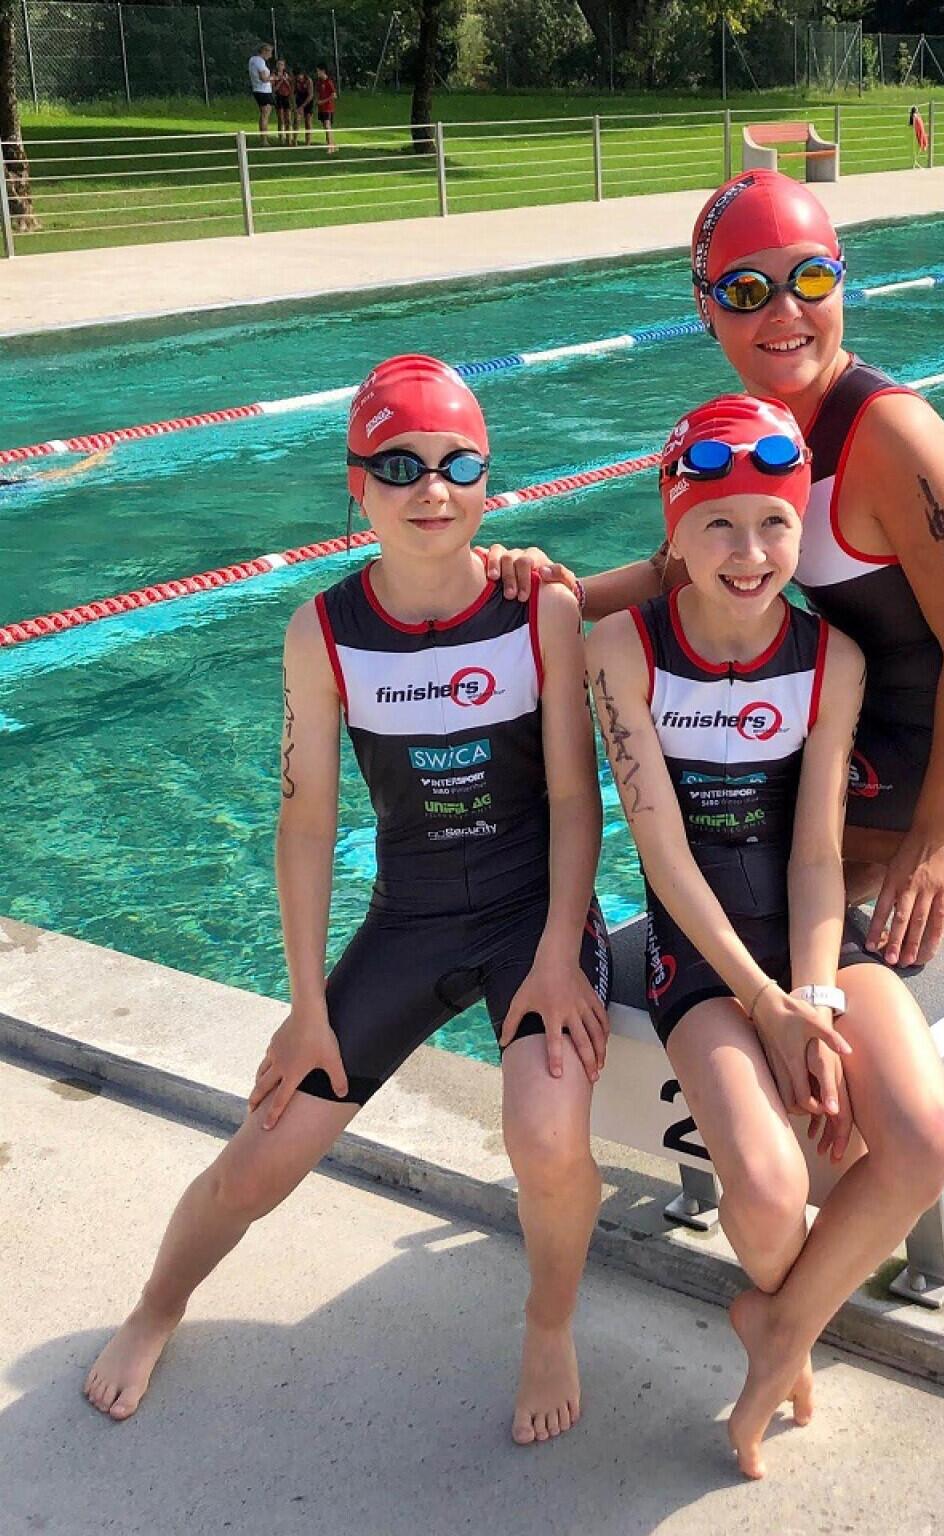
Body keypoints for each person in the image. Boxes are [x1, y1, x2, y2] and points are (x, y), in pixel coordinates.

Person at [84, 355, 612, 1448]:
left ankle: (549, 1323)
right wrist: (306, 1007)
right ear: (357, 487)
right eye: (401, 466)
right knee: (261, 1157)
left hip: (530, 917)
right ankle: (157, 1307)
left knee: (549, 1136)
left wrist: (562, 951)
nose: (433, 488)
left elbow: (575, 800)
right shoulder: (322, 633)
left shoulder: (541, 611)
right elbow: (307, 826)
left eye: (458, 463)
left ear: (488, 478)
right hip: (409, 922)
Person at [490, 170, 944, 971]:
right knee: (724, 838)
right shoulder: (765, 427)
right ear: (706, 307)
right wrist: (557, 591)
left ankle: (929, 857)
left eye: (810, 279)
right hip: (880, 706)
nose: (785, 311)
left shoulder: (894, 438)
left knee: (742, 848)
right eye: (748, 291)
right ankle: (875, 869)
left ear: (843, 279)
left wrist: (930, 838)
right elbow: (680, 572)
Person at [586, 393, 944, 1478]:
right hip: (698, 956)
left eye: (775, 524)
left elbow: (812, 856)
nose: (750, 554)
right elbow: (662, 857)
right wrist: (767, 1007)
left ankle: (779, 1326)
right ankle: (784, 1323)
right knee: (760, 1192)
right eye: (718, 523)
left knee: (924, 1140)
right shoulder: (623, 648)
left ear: (803, 529)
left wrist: (817, 1004)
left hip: (814, 937)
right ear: (674, 528)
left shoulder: (830, 658)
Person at [247, 42, 274, 147]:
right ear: (264, 51)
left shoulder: (252, 59)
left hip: (258, 90)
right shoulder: (260, 61)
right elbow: (263, 78)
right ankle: (264, 140)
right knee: (265, 115)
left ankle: (263, 138)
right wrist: (274, 78)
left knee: (264, 114)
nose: (270, 55)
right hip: (263, 91)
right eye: (269, 52)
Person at [315, 65, 337, 155]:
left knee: (328, 127)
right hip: (321, 108)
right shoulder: (319, 82)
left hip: (328, 108)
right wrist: (318, 101)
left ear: (323, 71)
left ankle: (330, 147)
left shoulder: (328, 82)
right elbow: (318, 93)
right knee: (326, 127)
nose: (317, 73)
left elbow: (334, 95)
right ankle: (333, 145)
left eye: (318, 71)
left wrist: (323, 101)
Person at [272, 58, 293, 146]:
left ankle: (289, 138)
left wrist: (286, 80)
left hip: (286, 97)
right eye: (278, 64)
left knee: (288, 119)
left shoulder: (287, 75)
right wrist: (281, 81)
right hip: (279, 97)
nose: (280, 66)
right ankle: (281, 139)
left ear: (284, 66)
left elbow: (291, 88)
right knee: (281, 119)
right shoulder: (274, 75)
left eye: (282, 64)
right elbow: (274, 89)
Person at [292, 67, 314, 147]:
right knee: (297, 120)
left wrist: (302, 106)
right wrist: (294, 106)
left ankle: (308, 142)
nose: (298, 78)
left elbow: (310, 95)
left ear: (302, 74)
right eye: (296, 76)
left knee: (308, 122)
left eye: (299, 76)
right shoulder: (295, 81)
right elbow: (292, 94)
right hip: (299, 99)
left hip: (308, 101)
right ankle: (294, 140)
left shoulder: (308, 80)